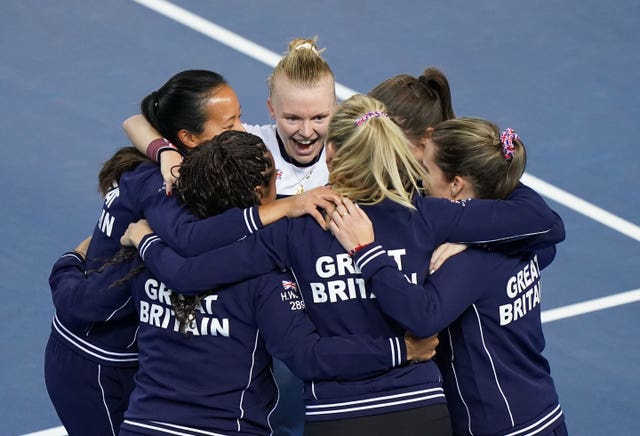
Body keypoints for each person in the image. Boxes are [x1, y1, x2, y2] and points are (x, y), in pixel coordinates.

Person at [121, 95, 564, 435]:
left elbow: (190, 274)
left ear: (331, 153)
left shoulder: (296, 225)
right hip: (425, 410)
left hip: (338, 418)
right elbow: (543, 223)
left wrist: (147, 241)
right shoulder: (428, 214)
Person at [49, 131, 437, 436]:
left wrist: (70, 261)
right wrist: (400, 350)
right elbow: (308, 357)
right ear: (257, 195)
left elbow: (82, 303)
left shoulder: (151, 252)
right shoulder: (264, 276)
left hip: (145, 426)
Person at [45, 70, 340, 436]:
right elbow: (189, 241)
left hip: (123, 359)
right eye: (230, 123)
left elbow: (135, 121)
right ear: (189, 137)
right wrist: (68, 266)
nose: (244, 130)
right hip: (97, 363)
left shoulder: (178, 172)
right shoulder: (161, 188)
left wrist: (162, 148)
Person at [329, 117, 568, 436]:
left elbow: (422, 316)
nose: (418, 178)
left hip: (498, 425)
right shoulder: (518, 238)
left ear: (456, 184)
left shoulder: (470, 262)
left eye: (426, 169)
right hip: (542, 412)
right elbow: (547, 238)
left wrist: (367, 252)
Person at [125, 37, 335, 197]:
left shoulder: (351, 152)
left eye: (319, 117)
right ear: (272, 109)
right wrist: (167, 152)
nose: (306, 131)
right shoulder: (246, 143)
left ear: (334, 110)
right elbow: (135, 123)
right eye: (292, 118)